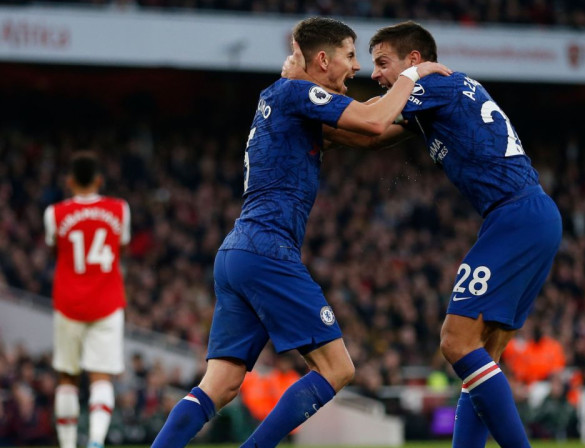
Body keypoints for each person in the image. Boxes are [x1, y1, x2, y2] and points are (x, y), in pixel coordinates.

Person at [150, 17, 450, 448]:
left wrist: (424, 122)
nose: (357, 67)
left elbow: (370, 137)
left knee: (220, 386)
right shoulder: (294, 92)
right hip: (269, 250)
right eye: (350, 56)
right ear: (323, 60)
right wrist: (411, 75)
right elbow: (369, 121)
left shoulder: (283, 102)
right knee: (337, 368)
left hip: (238, 253)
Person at [286, 20, 562, 448]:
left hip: (515, 218)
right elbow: (370, 139)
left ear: (415, 61)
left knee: (455, 341)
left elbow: (371, 122)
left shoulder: (434, 84)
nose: (374, 73)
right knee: (481, 357)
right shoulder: (437, 100)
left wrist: (297, 94)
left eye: (382, 63)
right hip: (530, 216)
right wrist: (305, 128)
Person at [44, 152, 131, 448]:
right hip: (107, 303)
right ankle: (95, 441)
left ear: (69, 182)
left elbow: (55, 250)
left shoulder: (55, 213)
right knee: (101, 377)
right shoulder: (120, 209)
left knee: (67, 378)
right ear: (99, 180)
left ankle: (68, 445)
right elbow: (122, 245)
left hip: (68, 304)